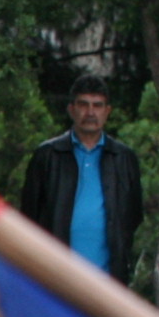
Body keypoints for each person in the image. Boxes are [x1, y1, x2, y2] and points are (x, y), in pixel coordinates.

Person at [18, 77, 143, 283]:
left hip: (108, 281)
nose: (90, 112)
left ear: (107, 111)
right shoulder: (48, 155)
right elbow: (29, 216)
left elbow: (133, 215)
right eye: (83, 105)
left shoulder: (123, 158)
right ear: (71, 109)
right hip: (56, 278)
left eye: (97, 105)